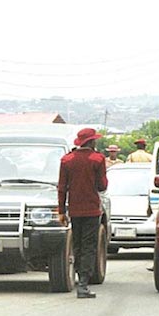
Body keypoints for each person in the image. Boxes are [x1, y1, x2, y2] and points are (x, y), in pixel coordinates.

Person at [58, 128, 108, 299]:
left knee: (77, 245)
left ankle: (80, 278)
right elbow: (102, 186)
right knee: (89, 246)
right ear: (91, 142)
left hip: (74, 209)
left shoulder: (67, 160)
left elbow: (62, 188)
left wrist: (61, 211)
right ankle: (83, 284)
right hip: (92, 209)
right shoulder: (97, 159)